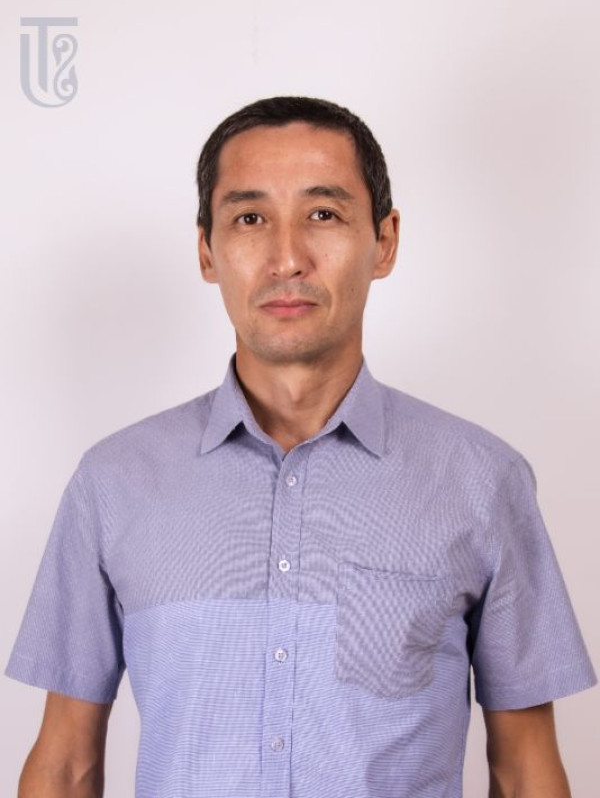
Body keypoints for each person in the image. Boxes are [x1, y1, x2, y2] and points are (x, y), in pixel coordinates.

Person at [6, 96, 597, 798]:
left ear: (384, 241)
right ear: (206, 250)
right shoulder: (113, 482)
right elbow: (65, 767)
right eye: (250, 219)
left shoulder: (482, 481)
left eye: (323, 214)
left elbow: (526, 773)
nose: (287, 258)